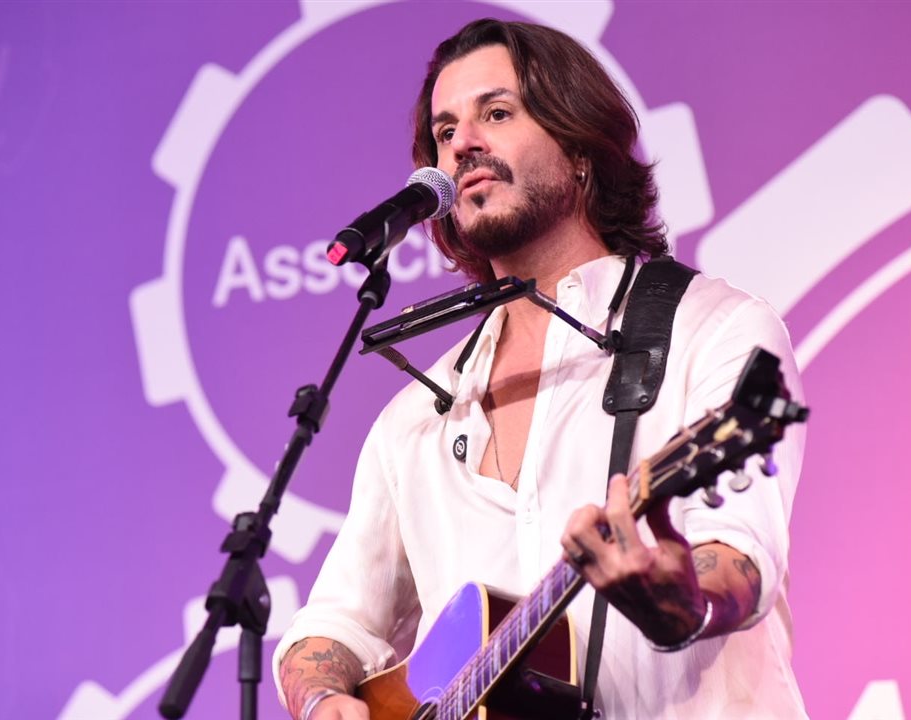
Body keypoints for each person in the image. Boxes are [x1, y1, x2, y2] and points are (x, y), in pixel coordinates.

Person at [273, 18, 807, 720]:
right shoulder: (417, 418)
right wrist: (320, 700)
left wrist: (683, 594)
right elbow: (334, 624)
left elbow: (738, 555)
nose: (462, 143)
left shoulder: (713, 328)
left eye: (496, 113)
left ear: (580, 147)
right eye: (444, 131)